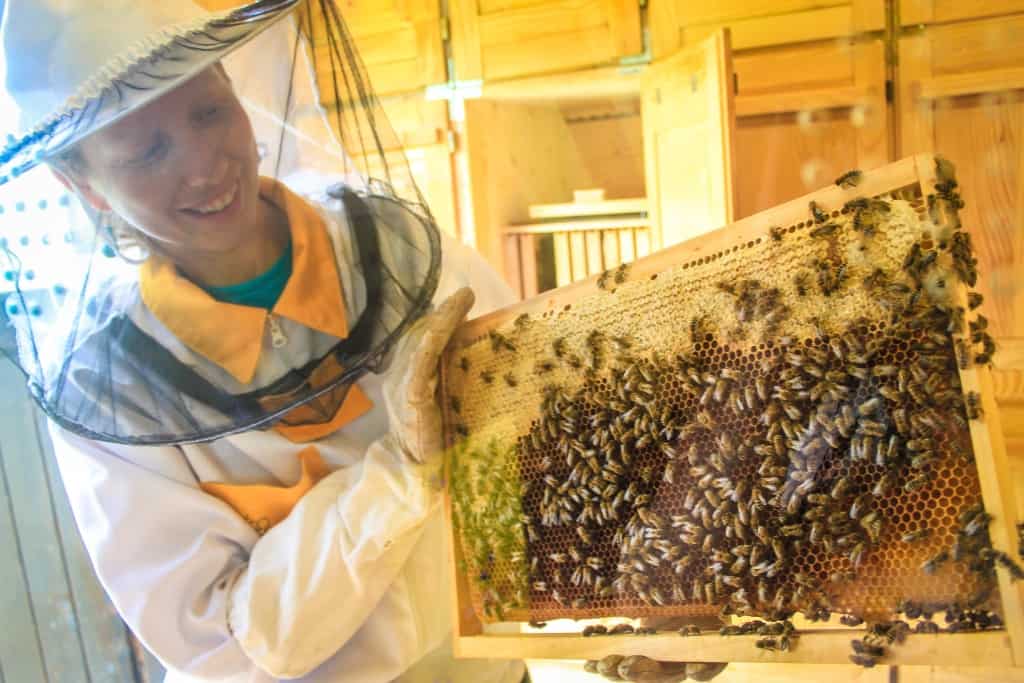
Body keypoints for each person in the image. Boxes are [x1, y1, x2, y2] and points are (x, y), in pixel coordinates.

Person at [0, 0, 524, 681]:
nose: (204, 166)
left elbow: (534, 400)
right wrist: (399, 473)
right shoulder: (109, 389)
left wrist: (646, 590)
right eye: (148, 151)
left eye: (209, 111)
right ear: (83, 184)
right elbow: (223, 642)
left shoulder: (388, 242)